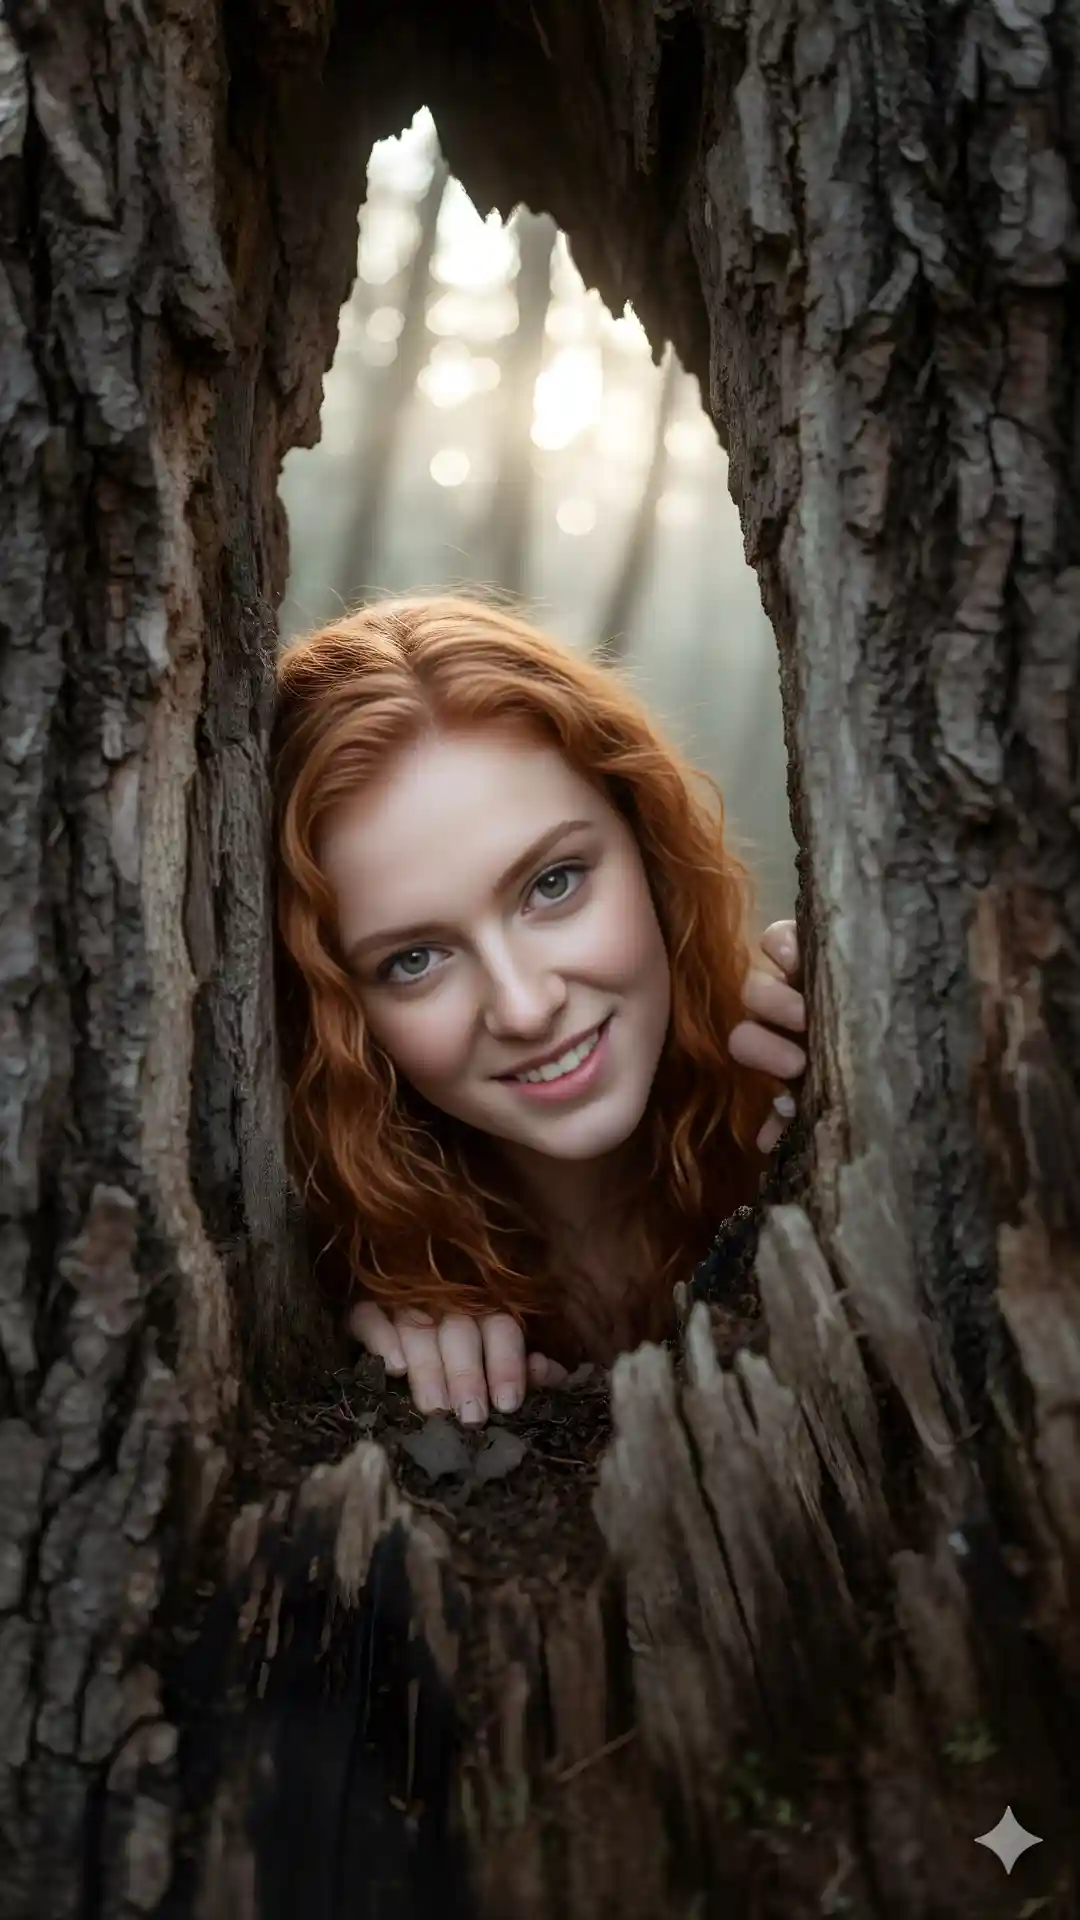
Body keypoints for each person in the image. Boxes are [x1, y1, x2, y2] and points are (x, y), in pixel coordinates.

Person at [272, 595, 806, 1427]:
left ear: (648, 844)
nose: (524, 1007)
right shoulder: (312, 1269)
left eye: (551, 884)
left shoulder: (787, 1085)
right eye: (413, 959)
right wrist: (365, 1339)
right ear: (340, 1008)